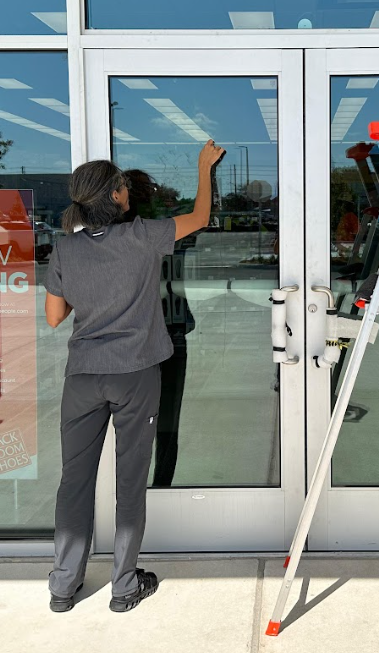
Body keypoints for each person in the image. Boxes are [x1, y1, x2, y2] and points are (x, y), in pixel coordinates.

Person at [44, 141, 225, 614]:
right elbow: (201, 216)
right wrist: (204, 167)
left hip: (83, 377)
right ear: (120, 196)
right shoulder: (144, 236)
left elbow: (53, 318)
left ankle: (64, 586)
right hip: (135, 375)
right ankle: (123, 586)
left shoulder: (65, 250)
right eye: (124, 184)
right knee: (129, 482)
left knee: (74, 482)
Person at [122, 169, 192, 487]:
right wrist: (207, 170)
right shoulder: (162, 232)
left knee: (137, 424)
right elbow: (202, 218)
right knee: (165, 425)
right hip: (165, 332)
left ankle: (140, 494)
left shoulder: (113, 237)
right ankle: (159, 489)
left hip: (137, 336)